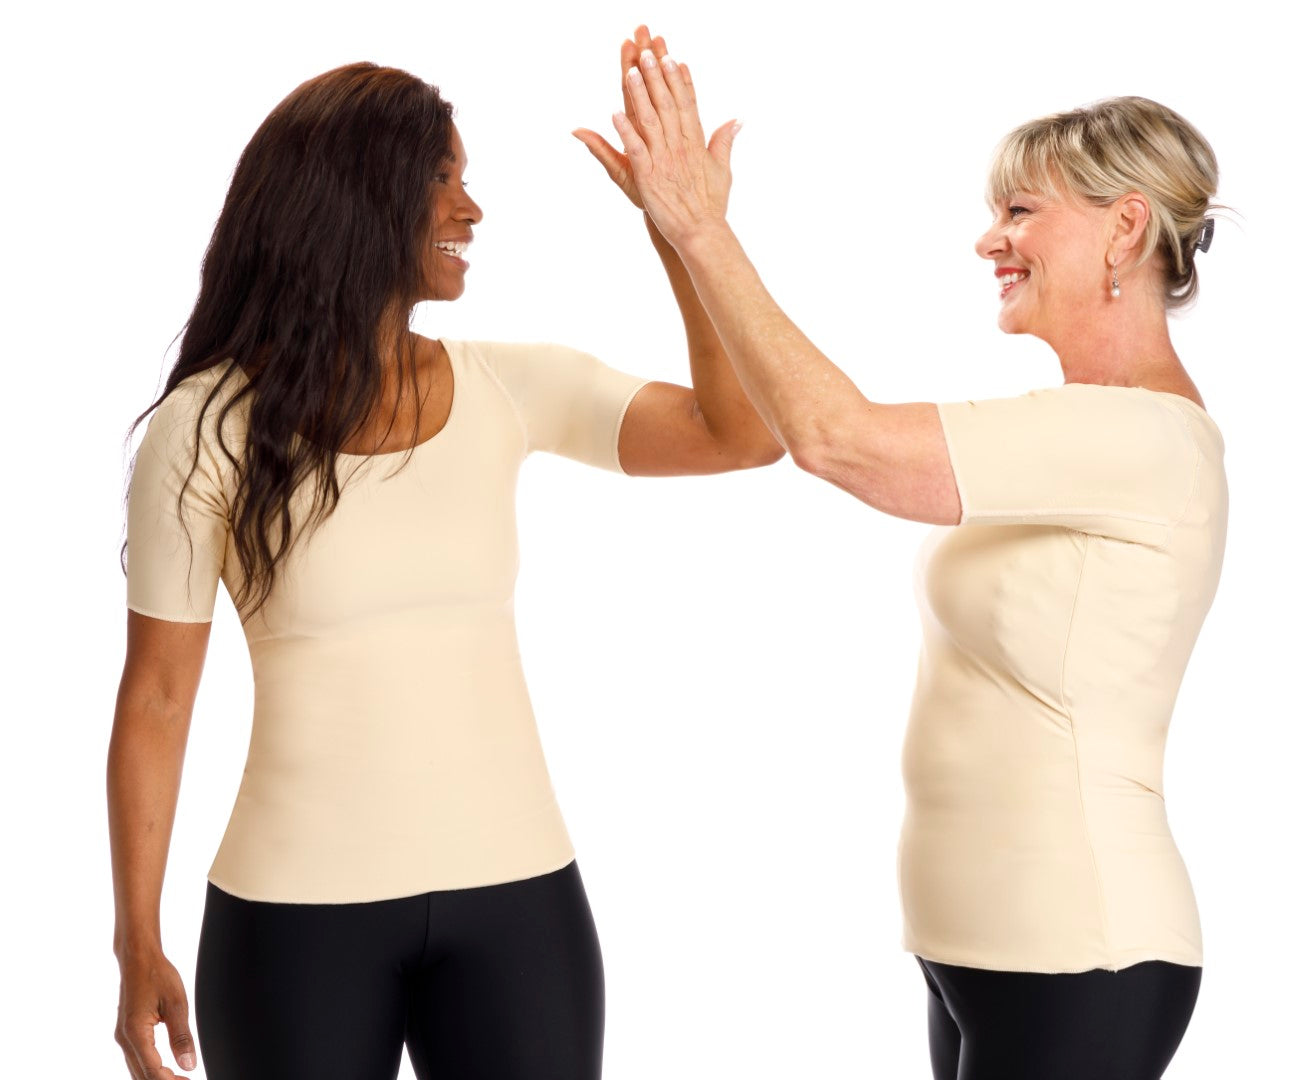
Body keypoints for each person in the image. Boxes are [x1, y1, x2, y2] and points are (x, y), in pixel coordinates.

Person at [108, 47, 783, 1080]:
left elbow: (740, 435)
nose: (471, 208)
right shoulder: (208, 427)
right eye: (442, 178)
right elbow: (157, 697)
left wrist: (688, 239)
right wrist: (136, 938)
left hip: (519, 899)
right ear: (355, 197)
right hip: (295, 914)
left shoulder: (511, 386)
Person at [591, 31, 1225, 1080]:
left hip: (1079, 948)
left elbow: (835, 440)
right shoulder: (1075, 434)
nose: (989, 241)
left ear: (1124, 229)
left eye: (1019, 211)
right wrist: (681, 238)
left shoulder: (1140, 439)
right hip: (976, 946)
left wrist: (701, 229)